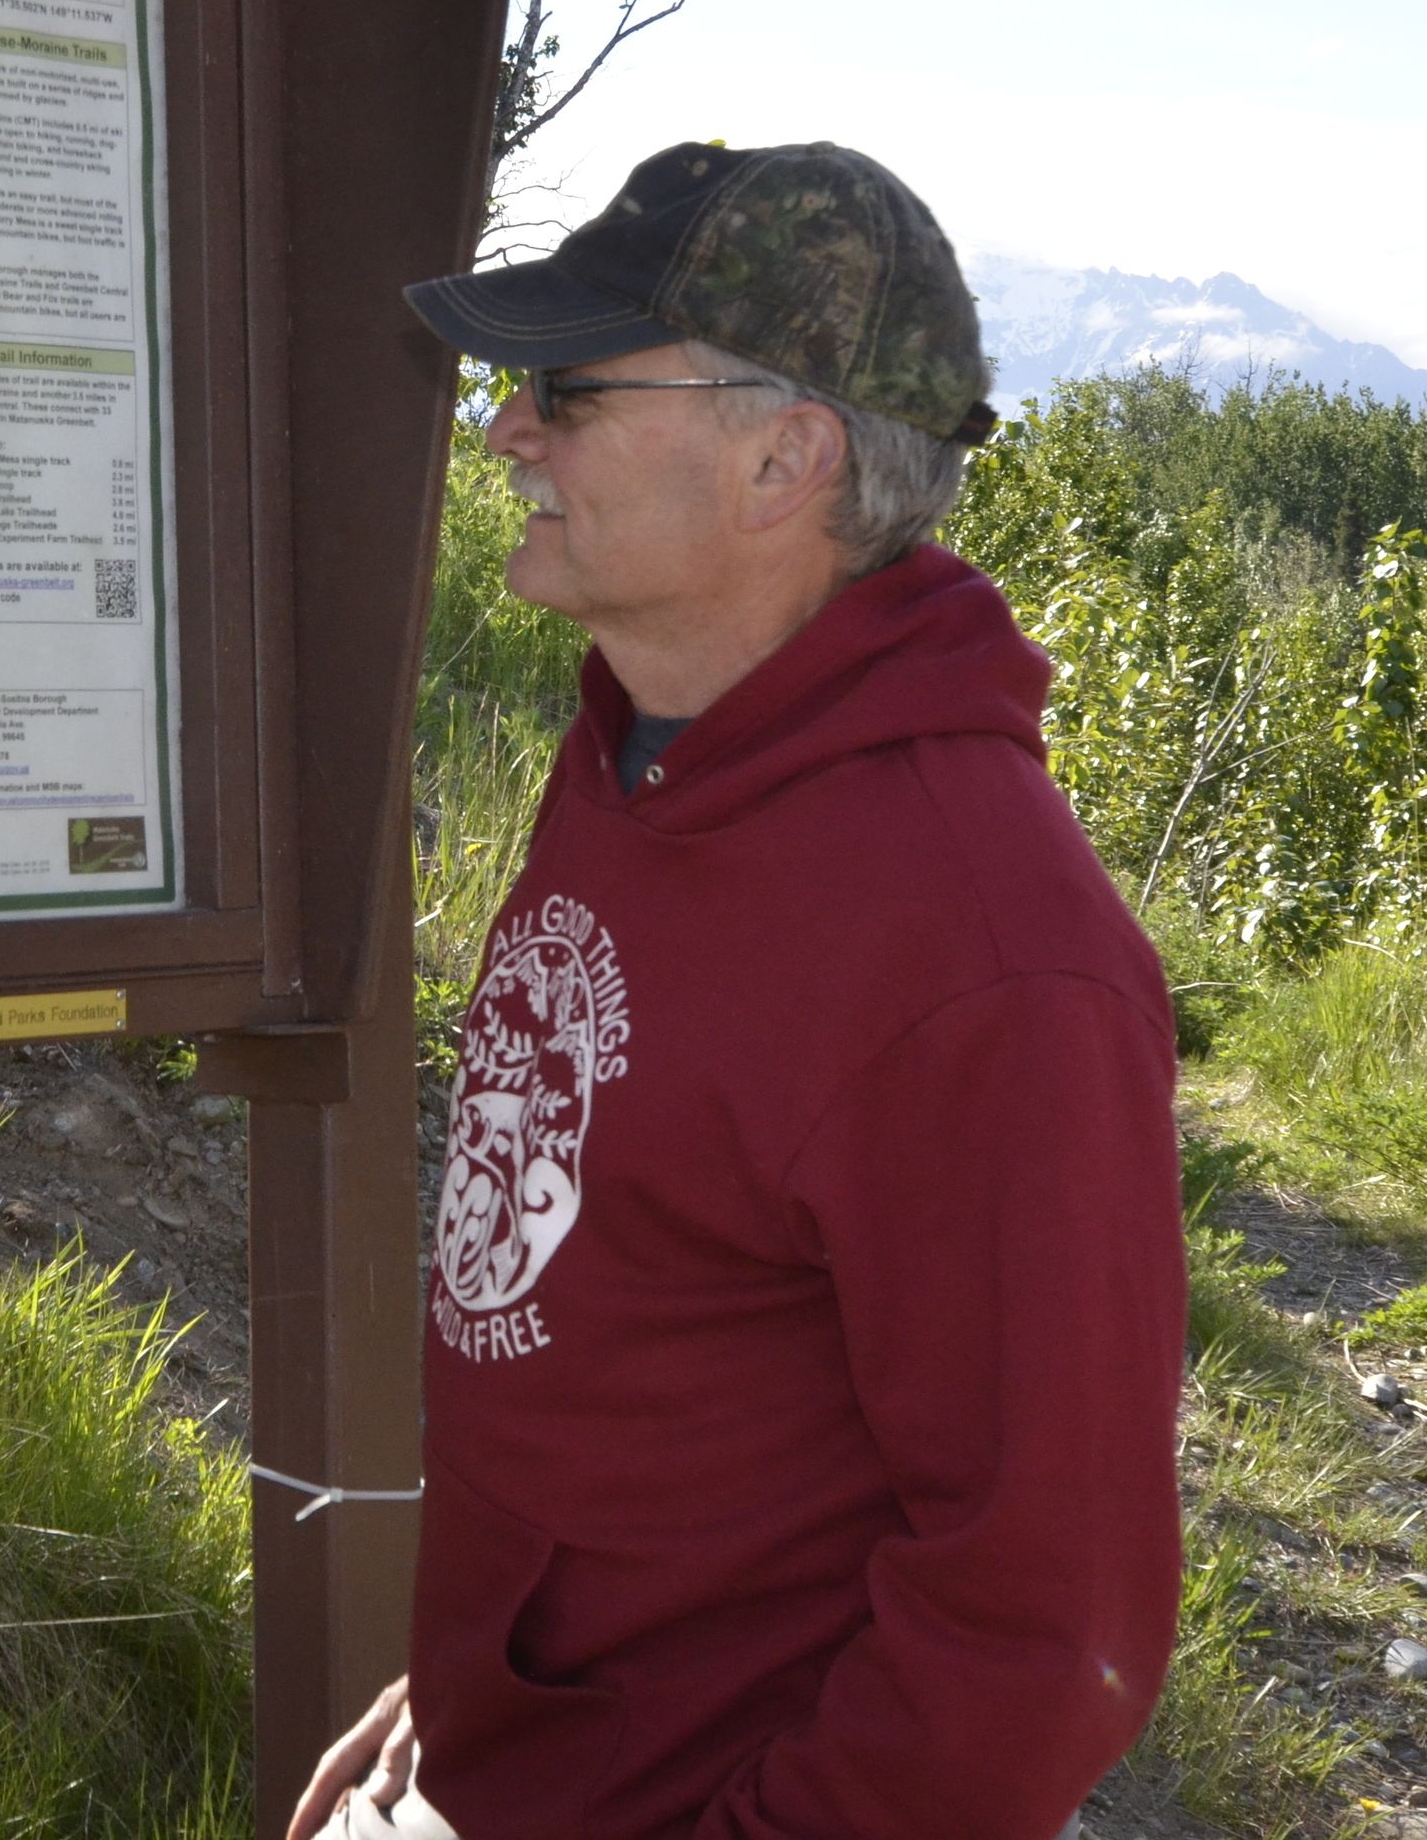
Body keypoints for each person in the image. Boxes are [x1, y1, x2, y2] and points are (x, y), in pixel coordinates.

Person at [291, 142, 1187, 1840]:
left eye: (566, 389)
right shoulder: (648, 742)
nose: (503, 430)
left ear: (788, 455)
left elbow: (1042, 1633)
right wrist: (469, 1688)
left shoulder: (993, 958)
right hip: (511, 1763)